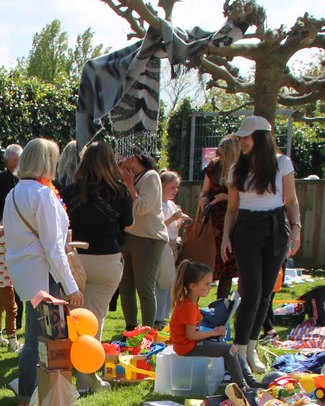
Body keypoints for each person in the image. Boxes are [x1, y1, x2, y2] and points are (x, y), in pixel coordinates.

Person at [0, 138, 83, 406]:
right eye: (54, 159)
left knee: (37, 338)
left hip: (25, 272)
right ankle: (25, 403)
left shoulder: (14, 192)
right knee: (38, 341)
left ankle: (29, 392)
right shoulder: (42, 194)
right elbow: (53, 248)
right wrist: (71, 286)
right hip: (43, 275)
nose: (56, 164)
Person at [220, 116, 299, 376]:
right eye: (240, 137)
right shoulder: (236, 169)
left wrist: (296, 229)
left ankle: (251, 349)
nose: (241, 142)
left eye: (246, 137)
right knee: (251, 292)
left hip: (275, 226)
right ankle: (239, 351)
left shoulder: (282, 163)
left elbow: (291, 200)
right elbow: (232, 209)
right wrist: (225, 237)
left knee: (266, 293)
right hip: (246, 228)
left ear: (261, 137)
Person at [60, 140, 133, 391]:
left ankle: (63, 373)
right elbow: (128, 224)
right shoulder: (120, 192)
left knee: (72, 321)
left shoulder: (69, 191)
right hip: (107, 260)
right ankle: (87, 377)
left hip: (74, 260)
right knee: (95, 320)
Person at [167, 259, 254, 389]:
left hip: (190, 344)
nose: (210, 288)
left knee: (233, 348)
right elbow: (191, 335)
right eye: (207, 284)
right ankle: (242, 387)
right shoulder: (188, 306)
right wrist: (213, 332)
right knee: (229, 350)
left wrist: (215, 331)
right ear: (193, 286)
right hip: (187, 347)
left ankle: (251, 382)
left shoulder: (191, 302)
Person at [114, 149, 168, 330]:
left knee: (144, 287)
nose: (119, 167)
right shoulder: (130, 179)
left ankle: (147, 333)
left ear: (133, 159)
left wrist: (129, 185)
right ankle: (131, 329)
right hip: (129, 237)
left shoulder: (151, 177)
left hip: (149, 238)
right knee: (125, 286)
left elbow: (142, 208)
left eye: (121, 162)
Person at [0, 143, 22, 351]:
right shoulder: (3, 180)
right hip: (5, 278)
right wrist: (6, 222)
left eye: (16, 165)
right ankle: (12, 339)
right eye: (10, 166)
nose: (13, 170)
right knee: (11, 308)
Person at [199, 136, 240, 299]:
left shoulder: (242, 169)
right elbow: (204, 191)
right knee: (209, 263)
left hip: (234, 219)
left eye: (222, 153)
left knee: (227, 266)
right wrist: (203, 199)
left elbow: (247, 198)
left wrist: (227, 197)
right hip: (214, 221)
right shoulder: (214, 166)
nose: (218, 156)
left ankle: (222, 303)